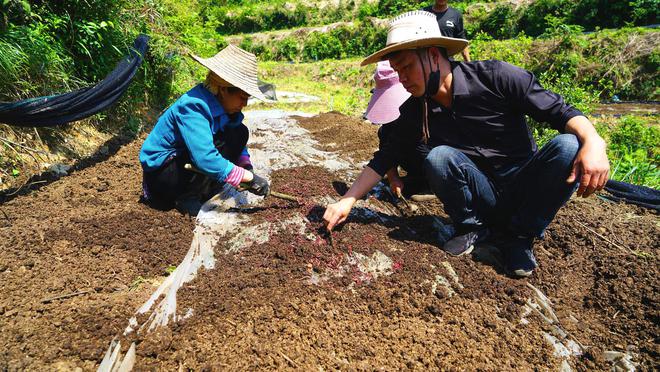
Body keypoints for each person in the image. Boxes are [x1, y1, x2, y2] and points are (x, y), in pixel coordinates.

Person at [324, 11, 610, 277]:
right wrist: (347, 200)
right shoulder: (417, 108)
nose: (403, 79)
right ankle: (473, 228)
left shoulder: (497, 77)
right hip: (481, 194)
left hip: (522, 188)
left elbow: (561, 111)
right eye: (398, 71)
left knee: (569, 146)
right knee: (439, 158)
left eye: (407, 67)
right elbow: (386, 156)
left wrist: (594, 142)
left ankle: (519, 237)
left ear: (433, 56)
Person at [139, 45, 270, 215]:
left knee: (239, 133)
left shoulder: (224, 108)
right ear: (223, 89)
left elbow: (237, 143)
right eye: (242, 97)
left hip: (186, 167)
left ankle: (202, 188)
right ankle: (185, 196)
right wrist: (249, 179)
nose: (244, 104)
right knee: (215, 148)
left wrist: (246, 167)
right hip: (164, 176)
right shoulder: (193, 106)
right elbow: (204, 157)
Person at [365, 60, 431, 198]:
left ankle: (432, 185)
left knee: (423, 148)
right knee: (386, 134)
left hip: (436, 161)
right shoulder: (390, 124)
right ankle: (418, 178)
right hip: (416, 167)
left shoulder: (427, 107)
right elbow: (386, 152)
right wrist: (393, 178)